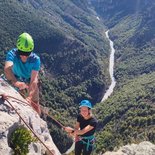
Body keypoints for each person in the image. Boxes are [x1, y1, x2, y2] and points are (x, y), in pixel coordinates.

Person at [4, 32, 41, 115]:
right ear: (18, 49)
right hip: (15, 77)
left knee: (35, 103)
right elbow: (7, 69)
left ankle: (38, 119)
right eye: (22, 53)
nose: (24, 56)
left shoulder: (35, 60)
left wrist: (30, 97)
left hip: (28, 80)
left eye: (27, 54)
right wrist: (15, 82)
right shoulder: (12, 54)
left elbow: (34, 80)